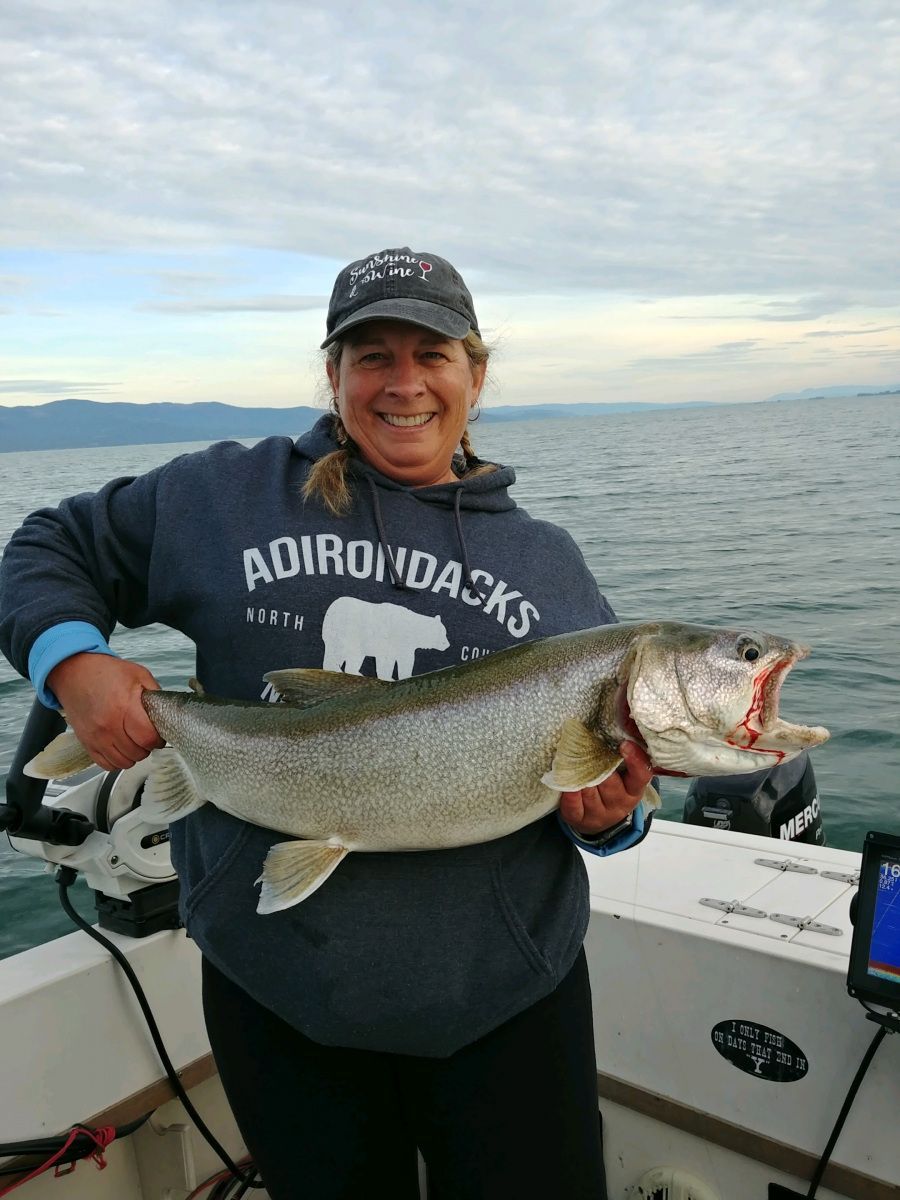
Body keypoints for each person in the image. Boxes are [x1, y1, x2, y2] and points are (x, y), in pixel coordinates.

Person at [0, 247, 655, 1199]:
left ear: (475, 375)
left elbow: (607, 789)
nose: (404, 384)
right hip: (277, 993)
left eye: (432, 355)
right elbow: (49, 545)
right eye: (372, 355)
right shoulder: (223, 498)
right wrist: (73, 666)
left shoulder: (546, 562)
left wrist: (611, 820)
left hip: (508, 999)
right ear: (334, 373)